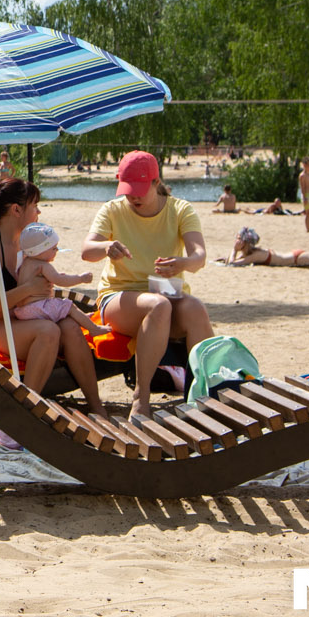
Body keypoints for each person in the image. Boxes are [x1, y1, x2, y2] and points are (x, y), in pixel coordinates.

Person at [81, 150, 214, 420]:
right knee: (159, 305)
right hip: (119, 297)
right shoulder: (112, 209)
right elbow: (86, 251)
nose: (134, 196)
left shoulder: (180, 209)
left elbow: (199, 257)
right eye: (128, 189)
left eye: (140, 189)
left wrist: (182, 263)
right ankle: (141, 399)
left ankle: (203, 396)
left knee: (195, 309)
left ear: (156, 182)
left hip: (165, 293)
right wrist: (106, 247)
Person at [0, 175, 104, 426]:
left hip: (21, 321)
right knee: (49, 331)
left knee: (71, 328)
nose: (39, 212)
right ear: (17, 210)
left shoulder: (27, 246)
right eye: (35, 206)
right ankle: (27, 408)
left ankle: (96, 407)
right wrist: (29, 288)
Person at [9, 222, 106, 336]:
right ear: (40, 251)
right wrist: (80, 278)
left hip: (23, 311)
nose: (57, 251)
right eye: (54, 248)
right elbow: (60, 280)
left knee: (62, 308)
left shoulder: (25, 263)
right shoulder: (42, 265)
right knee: (69, 306)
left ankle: (82, 318)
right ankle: (94, 329)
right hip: (37, 307)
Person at [297, 157, 309, 234]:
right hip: (307, 195)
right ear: (305, 165)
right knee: (308, 212)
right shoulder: (302, 176)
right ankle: (308, 228)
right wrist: (304, 198)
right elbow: (303, 188)